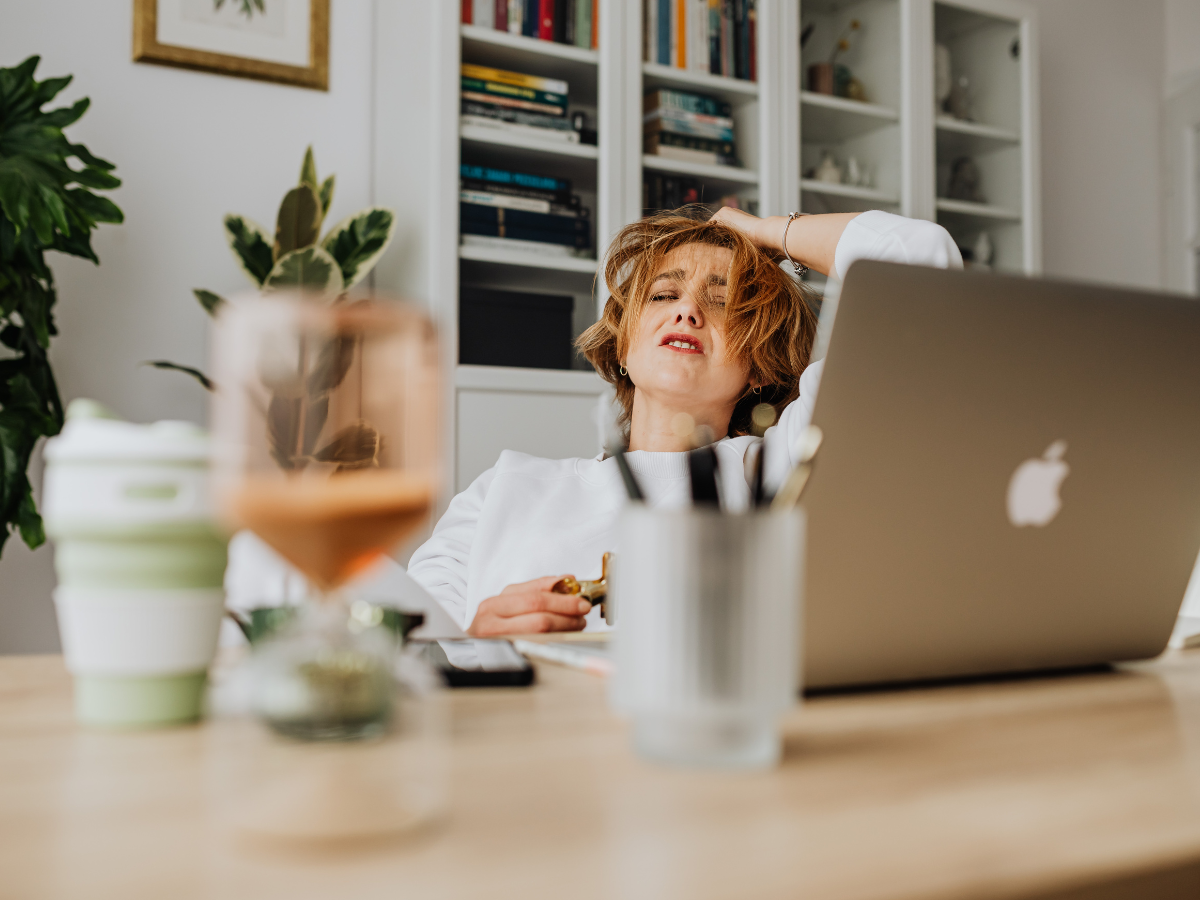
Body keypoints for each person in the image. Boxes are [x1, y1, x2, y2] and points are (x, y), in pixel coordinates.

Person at [407, 207, 962, 636]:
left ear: (757, 368)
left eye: (721, 302)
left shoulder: (786, 468)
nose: (687, 310)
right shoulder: (503, 489)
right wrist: (475, 640)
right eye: (664, 294)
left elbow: (921, 260)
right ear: (623, 343)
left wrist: (764, 232)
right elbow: (405, 647)